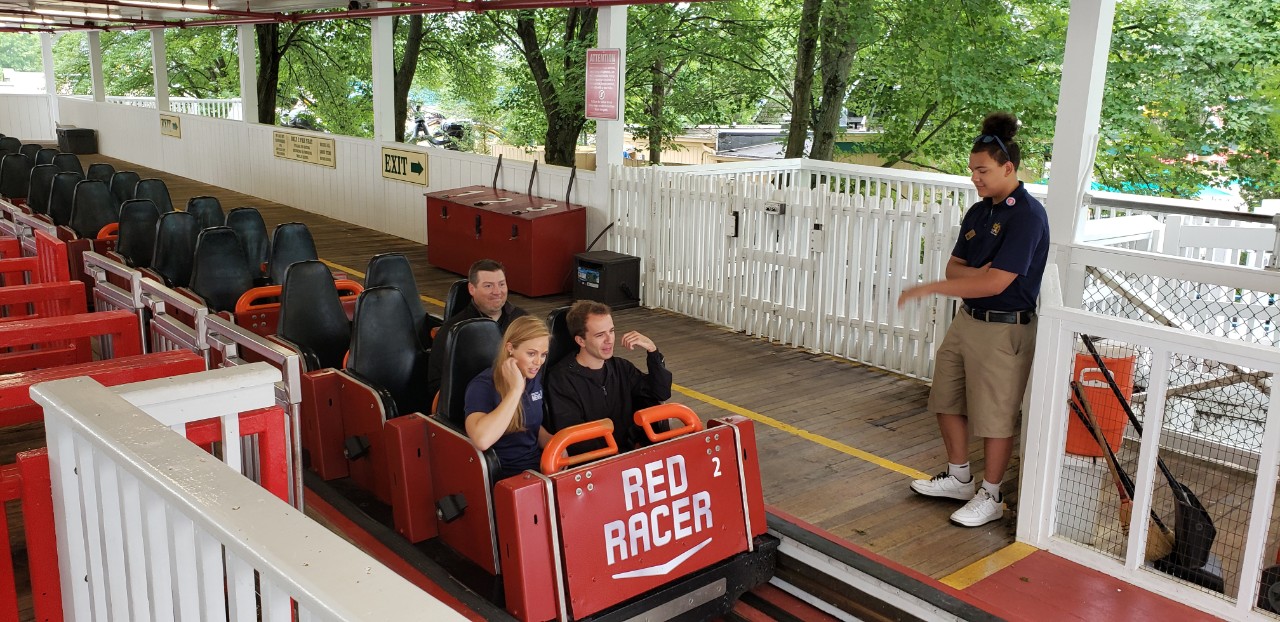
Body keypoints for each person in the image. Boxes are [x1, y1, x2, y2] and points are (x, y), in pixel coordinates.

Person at [896, 112, 1049, 528]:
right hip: (968, 319)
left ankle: (991, 495)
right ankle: (959, 477)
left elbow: (996, 283)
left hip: (1005, 327)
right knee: (945, 397)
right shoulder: (980, 212)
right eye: (972, 170)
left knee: (996, 416)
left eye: (982, 171)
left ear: (1008, 168)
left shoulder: (1028, 216)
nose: (975, 178)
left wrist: (935, 287)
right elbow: (955, 268)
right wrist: (974, 278)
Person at [545, 300, 672, 454]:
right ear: (581, 340)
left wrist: (652, 351)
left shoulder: (621, 367)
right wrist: (618, 457)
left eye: (611, 331)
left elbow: (661, 392)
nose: (609, 340)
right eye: (600, 335)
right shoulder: (561, 380)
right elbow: (576, 439)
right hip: (597, 461)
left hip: (629, 455)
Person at [425, 259, 529, 402]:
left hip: (523, 397)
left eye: (501, 284)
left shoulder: (523, 320)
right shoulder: (453, 330)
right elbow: (436, 383)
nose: (497, 291)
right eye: (488, 286)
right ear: (472, 289)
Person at [463, 316, 552, 482]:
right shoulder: (482, 385)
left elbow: (529, 424)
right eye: (531, 353)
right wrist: (515, 390)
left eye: (543, 355)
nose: (538, 362)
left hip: (537, 468)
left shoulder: (533, 378)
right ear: (510, 348)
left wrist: (553, 445)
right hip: (504, 476)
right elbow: (482, 440)